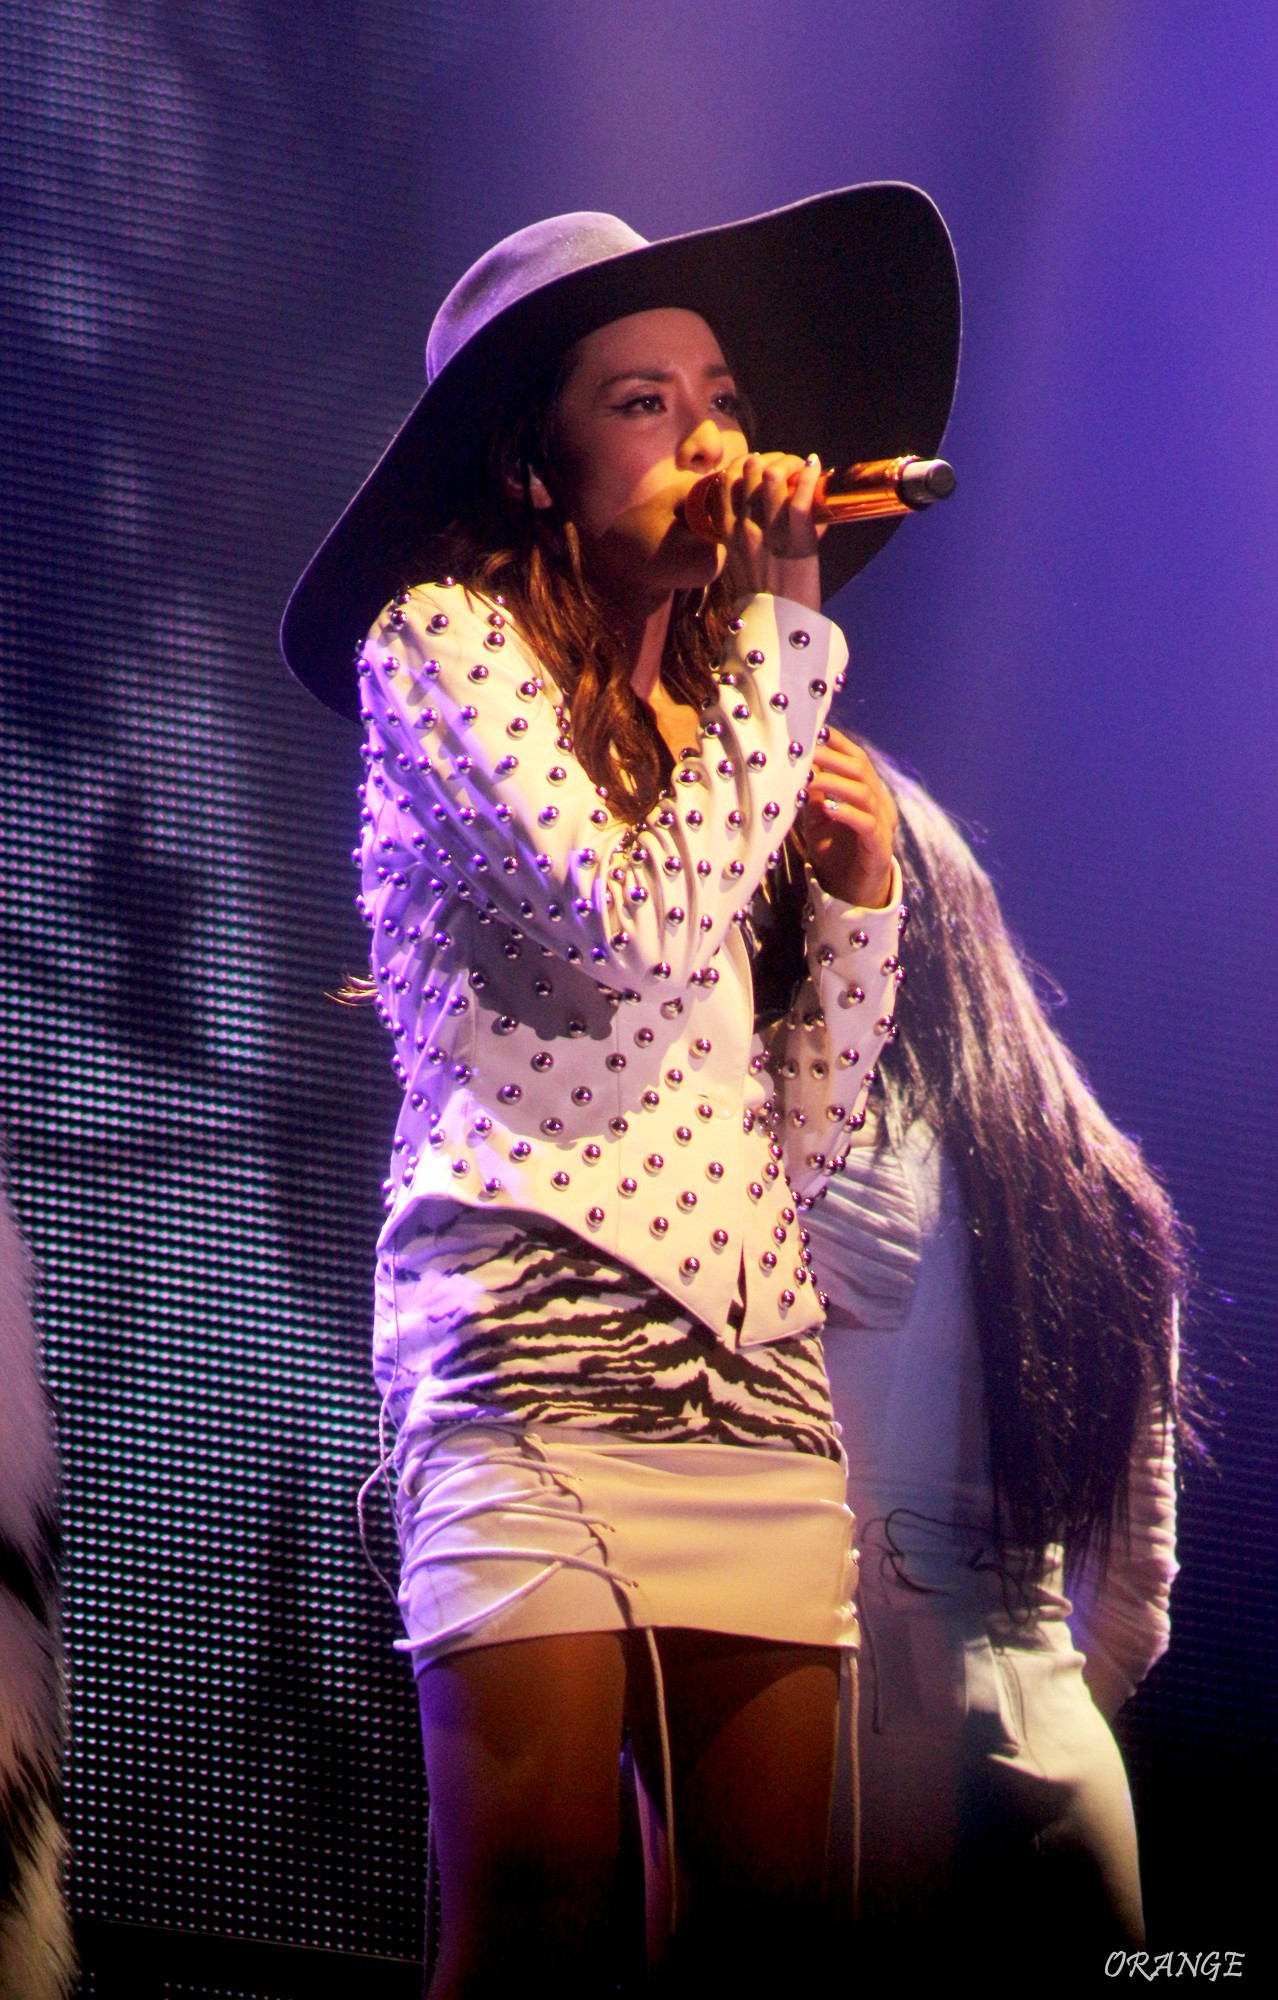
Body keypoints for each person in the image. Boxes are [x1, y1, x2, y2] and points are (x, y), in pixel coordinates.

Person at [280, 190, 960, 1993]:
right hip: (529, 1370)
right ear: (535, 464)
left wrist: (857, 906)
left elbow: (786, 1147)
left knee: (766, 1941)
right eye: (643, 402)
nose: (710, 439)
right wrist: (790, 644)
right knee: (538, 1912)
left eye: (719, 396)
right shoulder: (437, 648)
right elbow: (630, 929)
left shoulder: (735, 734)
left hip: (748, 1392)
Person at [804, 763, 1188, 1970]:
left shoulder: (824, 1159)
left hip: (866, 1771)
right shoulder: (1104, 1185)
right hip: (1070, 1777)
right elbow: (1138, 1598)